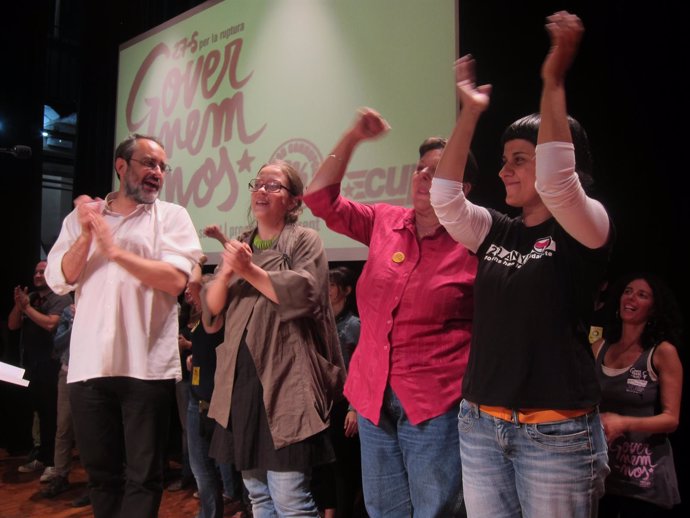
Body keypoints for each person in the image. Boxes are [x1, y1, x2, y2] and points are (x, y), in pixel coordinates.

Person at [430, 12, 612, 518]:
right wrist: (468, 113)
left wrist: (553, 80)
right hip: (481, 427)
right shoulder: (499, 229)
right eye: (505, 158)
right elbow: (445, 199)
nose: (503, 170)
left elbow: (558, 184)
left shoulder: (587, 228)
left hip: (556, 434)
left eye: (518, 159)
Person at [303, 111, 477, 517]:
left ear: (463, 187)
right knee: (383, 511)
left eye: (437, 172)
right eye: (420, 170)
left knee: (434, 511)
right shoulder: (386, 220)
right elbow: (318, 199)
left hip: (434, 403)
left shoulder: (474, 241)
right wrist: (353, 137)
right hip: (372, 396)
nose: (423, 177)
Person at [45, 133, 202, 518]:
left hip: (145, 366)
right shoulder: (83, 219)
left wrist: (115, 251)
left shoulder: (173, 216)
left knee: (145, 476)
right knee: (100, 475)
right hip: (89, 365)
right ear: (121, 166)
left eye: (162, 167)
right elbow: (61, 277)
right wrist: (87, 233)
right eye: (149, 163)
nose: (157, 173)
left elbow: (174, 280)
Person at [204, 160, 345, 517]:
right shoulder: (241, 243)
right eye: (258, 184)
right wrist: (224, 273)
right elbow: (212, 315)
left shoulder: (303, 240)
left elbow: (304, 295)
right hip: (243, 380)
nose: (262, 191)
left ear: (294, 201)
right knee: (258, 496)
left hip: (286, 382)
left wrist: (248, 269)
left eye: (274, 186)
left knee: (289, 497)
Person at [594, 273, 683, 517]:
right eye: (628, 291)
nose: (631, 297)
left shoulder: (662, 352)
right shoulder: (599, 346)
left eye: (642, 295)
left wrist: (623, 422)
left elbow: (671, 419)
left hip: (645, 480)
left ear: (653, 309)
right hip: (604, 475)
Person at [8, 260, 72, 481]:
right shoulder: (32, 297)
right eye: (35, 271)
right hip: (31, 364)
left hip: (53, 363)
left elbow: (50, 324)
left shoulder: (60, 298)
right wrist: (19, 305)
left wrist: (27, 308)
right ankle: (42, 456)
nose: (37, 275)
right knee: (38, 412)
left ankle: (54, 462)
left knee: (52, 414)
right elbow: (12, 325)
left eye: (42, 272)